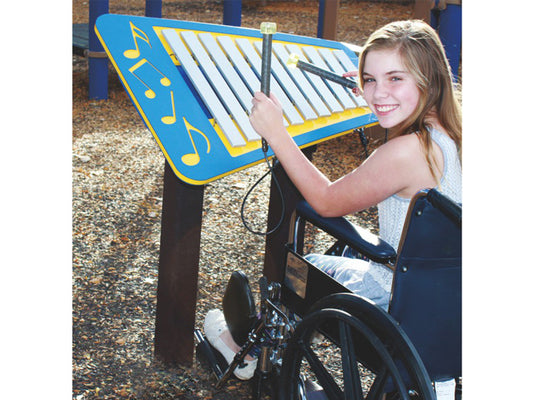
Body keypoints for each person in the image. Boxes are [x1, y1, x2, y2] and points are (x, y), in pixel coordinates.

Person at [204, 19, 462, 381]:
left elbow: (326, 201)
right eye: (369, 80)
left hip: (407, 308)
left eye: (395, 78)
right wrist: (386, 97)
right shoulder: (458, 133)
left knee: (304, 265)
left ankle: (244, 350)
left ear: (429, 78)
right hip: (455, 304)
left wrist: (277, 134)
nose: (377, 92)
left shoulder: (408, 152)